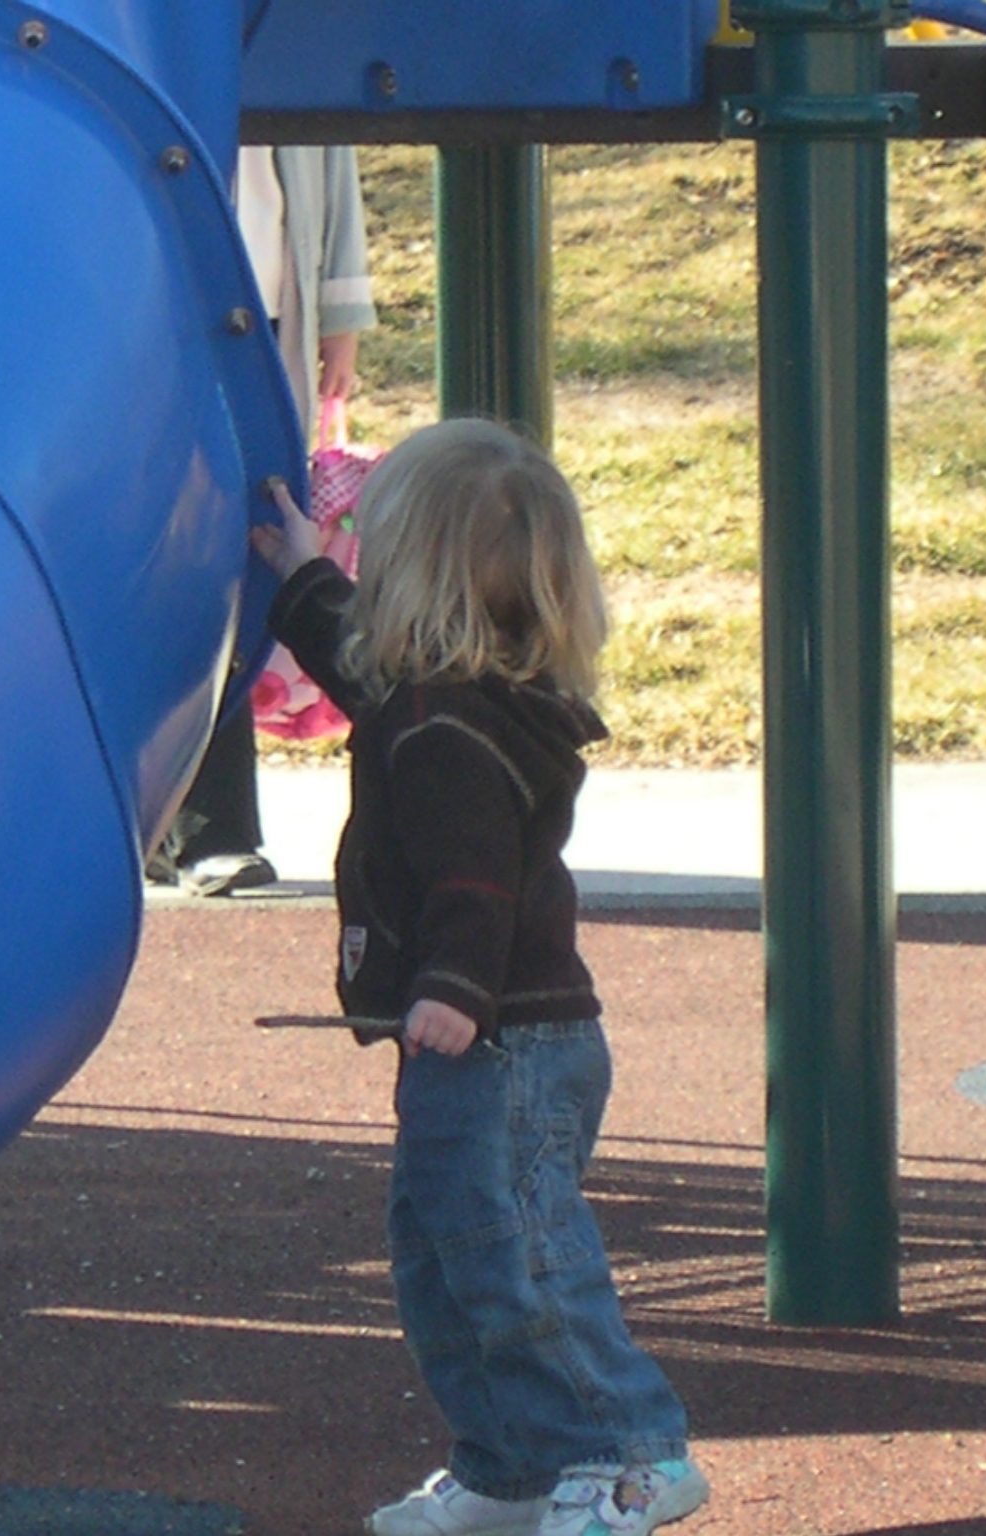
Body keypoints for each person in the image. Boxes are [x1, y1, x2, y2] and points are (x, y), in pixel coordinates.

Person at [249, 418, 709, 1536]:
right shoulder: (439, 695)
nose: (356, 573)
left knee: (517, 1258)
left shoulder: (448, 729)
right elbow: (352, 661)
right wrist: (295, 571)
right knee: (444, 1257)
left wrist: (452, 988)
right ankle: (509, 1469)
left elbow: (476, 880)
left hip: (500, 1041)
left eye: (369, 552)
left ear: (414, 576)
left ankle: (628, 1454)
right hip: (484, 1044)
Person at [151, 144, 377, 897]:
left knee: (242, 553)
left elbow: (327, 155)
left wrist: (340, 314)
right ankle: (184, 820)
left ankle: (207, 824)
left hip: (265, 309)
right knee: (176, 554)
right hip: (159, 300)